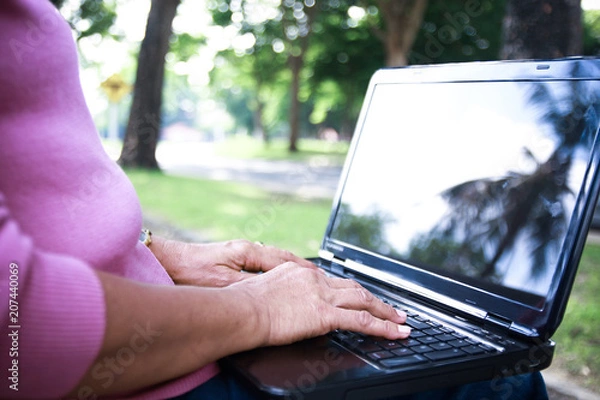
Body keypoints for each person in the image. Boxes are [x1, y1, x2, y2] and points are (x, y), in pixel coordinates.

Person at [0, 1, 548, 399]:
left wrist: (155, 251)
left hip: (152, 314)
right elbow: (20, 334)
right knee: (504, 380)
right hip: (148, 377)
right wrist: (258, 309)